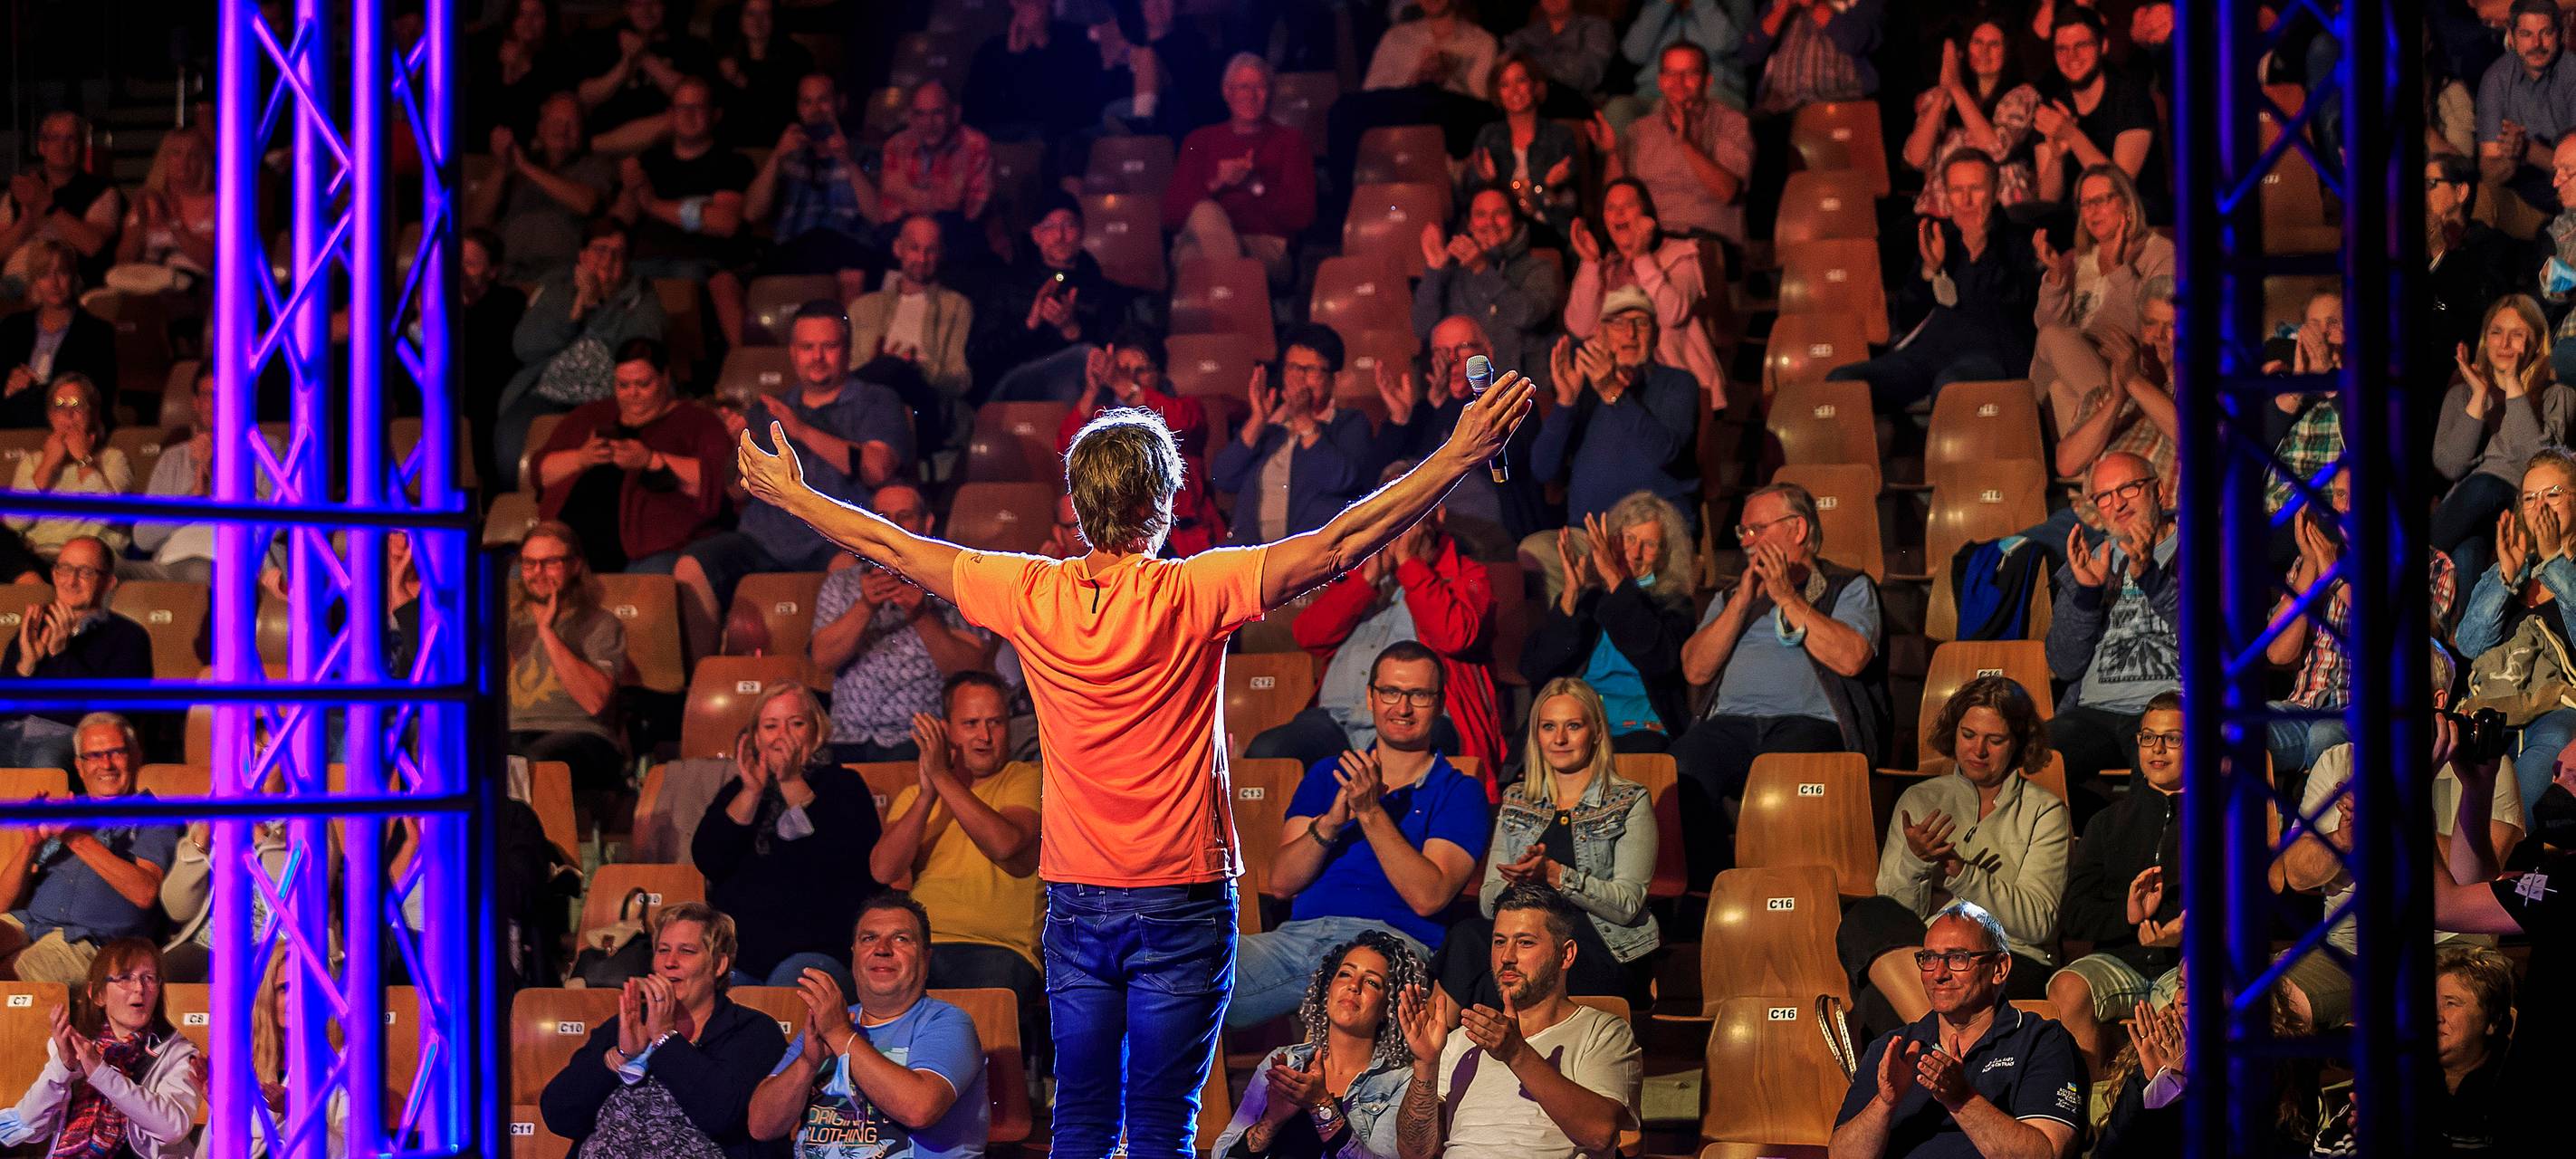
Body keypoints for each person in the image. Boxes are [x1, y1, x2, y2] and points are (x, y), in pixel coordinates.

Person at [731, 349, 1533, 1159]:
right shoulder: (1197, 589)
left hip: (1078, 903)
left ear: (1078, 504)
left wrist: (796, 494)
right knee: (1159, 1128)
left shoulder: (1029, 590)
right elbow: (1341, 541)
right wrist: (1460, 450)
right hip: (1179, 900)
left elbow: (898, 548)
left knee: (1079, 1122)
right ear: (1163, 500)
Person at [1231, 641, 1490, 1030]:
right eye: (1390, 692)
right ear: (1370, 697)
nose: (1402, 708)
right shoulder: (1328, 773)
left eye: (1418, 695)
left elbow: (1428, 896)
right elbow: (1282, 883)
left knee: (1344, 988)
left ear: (1439, 704)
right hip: (1297, 938)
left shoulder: (1459, 791)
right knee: (1185, 968)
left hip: (1390, 945)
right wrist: (1331, 822)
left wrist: (1370, 811)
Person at [2280, 646, 2523, 1034]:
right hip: (2352, 948)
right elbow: (2295, 875)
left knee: (2447, 1021)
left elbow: (2477, 878)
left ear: (2437, 699)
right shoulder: (2339, 761)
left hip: (2452, 951)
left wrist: (2393, 812)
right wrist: (2344, 840)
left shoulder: (2480, 766)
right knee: (2270, 1008)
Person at [1839, 679, 2071, 1043]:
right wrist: (1916, 863)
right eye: (1968, 735)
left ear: (2019, 743)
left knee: (1877, 999)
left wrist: (1962, 873)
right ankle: (1949, 1047)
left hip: (2002, 958)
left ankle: (1939, 1054)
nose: (1978, 750)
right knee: (1866, 916)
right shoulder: (1920, 799)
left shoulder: (2045, 811)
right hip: (1929, 955)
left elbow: (2037, 923)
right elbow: (1895, 916)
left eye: (1995, 740)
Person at [683, 302, 911, 656]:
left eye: (829, 346)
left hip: (836, 539)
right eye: (807, 347)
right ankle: (705, 678)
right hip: (763, 540)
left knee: (848, 569)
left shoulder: (875, 400)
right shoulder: (767, 409)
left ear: (848, 350)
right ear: (792, 352)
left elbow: (878, 468)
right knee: (691, 565)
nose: (817, 356)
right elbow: (734, 492)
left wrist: (801, 430)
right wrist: (741, 448)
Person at [1672, 483, 1885, 853]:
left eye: (1757, 529)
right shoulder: (1731, 596)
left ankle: (1780, 891)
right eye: (1743, 532)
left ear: (1798, 530)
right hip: (1731, 724)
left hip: (1810, 724)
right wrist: (1740, 604)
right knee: (1682, 767)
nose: (1746, 541)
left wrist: (1786, 597)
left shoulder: (1848, 587)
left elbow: (1851, 659)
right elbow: (1695, 670)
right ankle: (1711, 887)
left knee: (1780, 776)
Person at [1435, 679, 1658, 1015]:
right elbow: (1487, 900)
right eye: (1549, 727)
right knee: (1469, 938)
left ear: (1596, 732)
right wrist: (1518, 881)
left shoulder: (1628, 799)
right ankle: (1430, 1055)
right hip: (1526, 943)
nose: (1560, 739)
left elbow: (1627, 905)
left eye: (1573, 726)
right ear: (1536, 735)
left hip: (1600, 947)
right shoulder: (1518, 800)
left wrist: (1555, 875)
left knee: (1506, 974)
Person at [1251, 477, 1499, 776]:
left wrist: (1410, 565)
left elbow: (1457, 637)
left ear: (1438, 515)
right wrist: (1365, 581)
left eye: (1407, 512)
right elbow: (1308, 636)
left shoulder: (1469, 574)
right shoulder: (1364, 575)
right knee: (1268, 751)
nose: (1393, 526)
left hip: (1417, 720)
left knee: (1383, 765)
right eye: (1385, 513)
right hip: (1335, 720)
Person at [1390, 885, 1640, 1159]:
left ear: (1566, 954)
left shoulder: (1601, 1032)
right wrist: (1426, 1065)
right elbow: (1414, 1152)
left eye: (1525, 942)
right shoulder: (1459, 1041)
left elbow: (1600, 1134)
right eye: (1499, 942)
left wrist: (1517, 1053)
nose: (1507, 957)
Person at [1827, 901, 2085, 1159]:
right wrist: (1885, 1103)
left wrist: (1961, 1098)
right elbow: (1840, 1155)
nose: (1938, 973)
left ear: (1999, 968)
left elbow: (2050, 1153)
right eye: (1929, 958)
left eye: (1957, 958)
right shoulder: (1894, 1048)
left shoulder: (2040, 1040)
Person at [869, 673, 1043, 1047]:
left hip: (999, 948)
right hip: (921, 946)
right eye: (971, 724)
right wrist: (928, 795)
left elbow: (1005, 843)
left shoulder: (1025, 777)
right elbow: (883, 869)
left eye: (995, 722)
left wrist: (941, 777)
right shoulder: (920, 794)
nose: (984, 736)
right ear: (947, 731)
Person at [746, 893, 988, 1159]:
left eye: (901, 939)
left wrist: (840, 1036)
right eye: (869, 938)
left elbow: (919, 1109)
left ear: (926, 958)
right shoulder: (830, 1021)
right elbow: (761, 1126)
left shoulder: (947, 1022)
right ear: (854, 955)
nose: (882, 949)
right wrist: (807, 1062)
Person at [539, 902, 785, 1159]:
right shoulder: (626, 1024)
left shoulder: (752, 1032)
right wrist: (620, 1055)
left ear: (719, 964)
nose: (670, 962)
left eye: (686, 951)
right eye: (663, 950)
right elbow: (559, 1115)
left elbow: (723, 1116)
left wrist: (665, 1039)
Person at [694, 682, 883, 993]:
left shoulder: (843, 785)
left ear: (817, 731)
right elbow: (710, 859)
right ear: (756, 738)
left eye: (796, 724)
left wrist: (791, 781)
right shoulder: (737, 791)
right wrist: (752, 793)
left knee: (786, 990)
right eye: (771, 726)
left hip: (818, 949)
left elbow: (844, 860)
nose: (783, 736)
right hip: (742, 953)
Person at [2265, 473, 2457, 775]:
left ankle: (2328, 822)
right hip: (2303, 708)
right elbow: (2278, 654)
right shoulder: (2316, 560)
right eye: (2340, 495)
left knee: (2325, 737)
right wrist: (2311, 565)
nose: (2347, 507)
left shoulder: (2432, 566)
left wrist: (2336, 577)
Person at [1829, 149, 2040, 411]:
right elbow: (1905, 318)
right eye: (1956, 190)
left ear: (1996, 191)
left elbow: (2021, 310)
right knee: (1843, 382)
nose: (1966, 200)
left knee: (1951, 385)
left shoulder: (2021, 240)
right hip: (1929, 353)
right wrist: (1929, 271)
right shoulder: (1941, 237)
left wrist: (1980, 255)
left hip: (1991, 354)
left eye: (1975, 189)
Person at [2046, 689, 2184, 1076]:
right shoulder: (2107, 822)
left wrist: (2181, 936)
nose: (2158, 749)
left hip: (2185, 965)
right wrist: (2127, 914)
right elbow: (2074, 916)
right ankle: (2082, 1116)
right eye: (2148, 737)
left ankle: (2172, 1120)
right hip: (2119, 961)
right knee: (2068, 988)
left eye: (2173, 738)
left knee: (2190, 998)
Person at [809, 486, 996, 764]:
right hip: (846, 738)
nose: (892, 526)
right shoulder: (843, 583)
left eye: (904, 516)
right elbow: (822, 658)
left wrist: (921, 615)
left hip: (919, 741)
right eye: (882, 516)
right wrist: (865, 606)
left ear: (927, 522)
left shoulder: (950, 584)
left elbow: (970, 671)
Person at [1211, 930, 1430, 1159]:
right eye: (1345, 974)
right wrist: (1271, 1121)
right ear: (1328, 989)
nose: (1354, 986)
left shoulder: (1398, 1082)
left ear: (1389, 1007)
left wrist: (1321, 1106)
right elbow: (1222, 1154)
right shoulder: (1285, 1062)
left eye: (1372, 982)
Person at [2045, 450, 2179, 817]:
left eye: (2129, 489)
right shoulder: (2086, 561)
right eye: (2104, 496)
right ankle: (2097, 831)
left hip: (2172, 709)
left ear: (2160, 491)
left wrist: (2152, 577)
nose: (2117, 503)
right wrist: (2087, 596)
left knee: (2157, 789)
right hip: (2094, 711)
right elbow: (2064, 663)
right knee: (2033, 760)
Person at [0, 714, 179, 982]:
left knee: (14, 973)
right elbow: (2, 903)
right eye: (94, 756)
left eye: (116, 753)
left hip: (90, 943)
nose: (106, 765)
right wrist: (30, 845)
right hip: (30, 923)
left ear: (136, 755)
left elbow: (145, 892)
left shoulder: (154, 816)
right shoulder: (68, 809)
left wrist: (77, 839)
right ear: (79, 767)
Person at [531, 338, 732, 576]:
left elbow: (722, 479)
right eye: (623, 385)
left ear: (664, 378)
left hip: (653, 549)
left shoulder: (697, 421)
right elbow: (540, 471)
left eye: (643, 384)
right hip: (570, 548)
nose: (632, 393)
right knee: (520, 575)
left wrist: (651, 460)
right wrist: (581, 458)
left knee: (651, 582)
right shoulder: (589, 416)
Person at [497, 218, 668, 490]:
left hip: (610, 399)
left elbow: (641, 350)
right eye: (601, 250)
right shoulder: (556, 289)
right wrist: (577, 308)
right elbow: (524, 346)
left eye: (618, 253)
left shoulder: (640, 295)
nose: (608, 260)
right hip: (546, 394)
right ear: (583, 255)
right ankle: (516, 511)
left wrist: (600, 305)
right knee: (510, 444)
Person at [1519, 493, 1698, 751]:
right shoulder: (1589, 599)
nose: (1635, 553)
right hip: (1577, 724)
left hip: (1641, 728)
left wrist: (1615, 579)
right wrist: (1570, 595)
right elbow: (1534, 667)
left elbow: (1657, 657)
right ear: (1611, 542)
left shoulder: (1674, 604)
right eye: (1629, 539)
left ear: (1663, 554)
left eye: (1649, 544)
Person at [0, 938, 198, 1159]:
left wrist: (101, 1073)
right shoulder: (74, 1046)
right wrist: (62, 1067)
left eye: (149, 978)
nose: (139, 988)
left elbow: (172, 1129)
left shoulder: (179, 1052)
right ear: (98, 994)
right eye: (125, 978)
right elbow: (28, 1126)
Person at [2457, 447, 2576, 812]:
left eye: (2553, 494)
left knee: (2555, 734)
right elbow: (2469, 643)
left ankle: (2501, 844)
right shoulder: (2511, 566)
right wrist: (2506, 579)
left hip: (2557, 706)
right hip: (2496, 703)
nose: (2540, 506)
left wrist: (2556, 559)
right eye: (2529, 498)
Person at [1537, 285, 1701, 532]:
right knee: (1533, 552)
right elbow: (1543, 469)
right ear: (1601, 334)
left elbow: (1665, 453)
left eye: (1641, 323)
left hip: (1655, 533)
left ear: (1656, 334)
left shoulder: (1677, 383)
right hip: (1589, 533)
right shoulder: (1585, 391)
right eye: (1618, 323)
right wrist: (1566, 400)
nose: (1630, 334)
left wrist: (1612, 392)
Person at [1053, 326, 1228, 555]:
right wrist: (1091, 390)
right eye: (1121, 369)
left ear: (1159, 373)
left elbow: (1183, 423)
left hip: (1178, 537)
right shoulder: (1102, 414)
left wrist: (1124, 386)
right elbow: (1068, 451)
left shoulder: (1185, 407)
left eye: (1140, 370)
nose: (1129, 378)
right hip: (1115, 536)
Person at [2028, 165, 2173, 436]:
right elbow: (2050, 333)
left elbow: (2151, 328)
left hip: (2129, 368)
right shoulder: (2079, 259)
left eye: (2101, 201)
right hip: (2082, 369)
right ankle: (2086, 465)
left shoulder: (2159, 253)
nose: (2092, 211)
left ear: (2127, 203)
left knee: (2051, 342)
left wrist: (2119, 270)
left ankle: (2026, 432)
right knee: (2058, 383)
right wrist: (2057, 279)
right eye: (2085, 204)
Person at [2435, 294, 2569, 585]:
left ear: (2536, 342)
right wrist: (2479, 397)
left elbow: (2537, 465)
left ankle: (2397, 568)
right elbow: (2449, 467)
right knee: (2468, 554)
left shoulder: (2558, 396)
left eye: (2517, 334)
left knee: (2488, 484)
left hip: (2522, 505)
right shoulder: (2463, 392)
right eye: (2496, 332)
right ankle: (2461, 631)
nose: (2505, 343)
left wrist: (2513, 383)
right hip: (2467, 513)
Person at [612, 76, 752, 348]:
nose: (688, 115)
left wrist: (653, 205)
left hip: (701, 263)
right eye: (681, 108)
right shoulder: (650, 161)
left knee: (684, 279)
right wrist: (630, 188)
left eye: (697, 108)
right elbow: (621, 219)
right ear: (670, 114)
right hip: (644, 261)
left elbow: (724, 222)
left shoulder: (732, 163)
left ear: (715, 114)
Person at [503, 522, 629, 826]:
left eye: (550, 562)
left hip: (582, 735)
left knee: (535, 761)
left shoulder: (601, 624)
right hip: (513, 731)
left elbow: (595, 703)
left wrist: (547, 632)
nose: (538, 573)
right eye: (529, 563)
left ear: (575, 565)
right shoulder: (509, 624)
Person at [1559, 179, 1727, 405]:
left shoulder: (1681, 255)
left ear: (1647, 213)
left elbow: (1672, 314)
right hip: (1614, 389)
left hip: (1677, 388)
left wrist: (1641, 256)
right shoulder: (1606, 268)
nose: (1618, 213)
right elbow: (1580, 327)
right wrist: (1590, 263)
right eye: (1610, 207)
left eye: (1628, 205)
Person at [1211, 324, 1380, 544]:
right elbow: (1223, 477)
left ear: (1333, 379)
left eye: (1309, 370)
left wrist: (1304, 421)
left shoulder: (1348, 423)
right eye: (1292, 367)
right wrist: (1258, 420)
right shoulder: (1272, 429)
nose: (1299, 379)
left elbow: (1342, 479)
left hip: (1312, 556)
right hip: (1254, 555)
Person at [1164, 53, 1318, 283]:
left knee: (1193, 258)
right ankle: (1239, 307)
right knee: (1204, 217)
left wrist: (1254, 185)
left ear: (1270, 93)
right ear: (1228, 92)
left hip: (1264, 244)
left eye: (1260, 87)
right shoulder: (1199, 141)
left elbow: (1302, 216)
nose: (1251, 96)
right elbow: (1171, 215)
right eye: (1243, 87)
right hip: (1202, 237)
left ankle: (1224, 308)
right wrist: (1217, 183)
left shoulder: (1290, 142)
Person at [0, 542, 154, 772]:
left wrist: (62, 655)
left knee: (46, 759)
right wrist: (25, 668)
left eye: (85, 572)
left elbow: (115, 717)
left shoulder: (129, 636)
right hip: (12, 732)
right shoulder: (36, 627)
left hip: (70, 740)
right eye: (64, 569)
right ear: (53, 574)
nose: (71, 581)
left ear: (108, 582)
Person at [972, 193, 1133, 401]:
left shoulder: (1102, 290)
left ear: (1082, 230)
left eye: (1069, 225)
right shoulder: (1008, 285)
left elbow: (1115, 351)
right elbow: (979, 355)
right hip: (1015, 388)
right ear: (1036, 235)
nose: (1059, 235)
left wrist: (1072, 329)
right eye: (1049, 226)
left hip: (1081, 387)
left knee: (1089, 366)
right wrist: (1029, 324)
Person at [1592, 42, 1754, 246]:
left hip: (1707, 243)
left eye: (1690, 74)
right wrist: (1612, 153)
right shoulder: (1640, 130)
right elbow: (1617, 199)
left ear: (1708, 81)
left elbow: (1728, 192)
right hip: (1650, 241)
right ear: (1660, 81)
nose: (1678, 82)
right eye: (1670, 73)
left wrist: (1686, 142)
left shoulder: (1731, 123)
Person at [745, 73, 883, 293]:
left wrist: (848, 162)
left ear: (840, 103)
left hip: (848, 251)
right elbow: (752, 213)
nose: (815, 109)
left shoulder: (865, 154)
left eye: (823, 100)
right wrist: (776, 158)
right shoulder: (787, 154)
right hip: (794, 251)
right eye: (807, 102)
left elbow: (878, 216)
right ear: (799, 108)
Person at [1415, 188, 1565, 383]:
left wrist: (1482, 268)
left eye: (1500, 214)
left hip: (1523, 387)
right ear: (1469, 223)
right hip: (1466, 391)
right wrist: (1435, 270)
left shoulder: (1539, 268)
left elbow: (1525, 315)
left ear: (1515, 220)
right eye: (1481, 215)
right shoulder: (1454, 270)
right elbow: (1422, 327)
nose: (1490, 223)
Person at [849, 214, 972, 443]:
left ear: (941, 253)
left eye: (931, 250)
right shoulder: (864, 307)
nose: (922, 258)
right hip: (871, 401)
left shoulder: (955, 306)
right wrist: (880, 365)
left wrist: (918, 369)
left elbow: (960, 379)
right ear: (898, 249)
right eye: (914, 248)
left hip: (924, 404)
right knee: (883, 373)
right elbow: (852, 369)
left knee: (893, 369)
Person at [1902, 19, 2044, 218]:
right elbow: (1916, 157)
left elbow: (1997, 149)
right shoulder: (1937, 97)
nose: (1984, 51)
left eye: (1994, 44)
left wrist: (1956, 88)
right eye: (1977, 42)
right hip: (1942, 212)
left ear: (2008, 51)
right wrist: (1944, 91)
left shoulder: (2022, 96)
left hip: (1998, 211)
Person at [470, 91, 617, 282]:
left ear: (582, 131)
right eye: (555, 122)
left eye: (570, 124)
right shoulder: (513, 170)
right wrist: (501, 167)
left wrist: (525, 167)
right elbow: (476, 220)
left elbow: (587, 203)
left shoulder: (595, 166)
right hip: (508, 271)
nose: (562, 129)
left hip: (561, 273)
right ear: (540, 128)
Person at [2033, 6, 2163, 217]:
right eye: (2061, 49)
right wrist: (2056, 159)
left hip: (2135, 217)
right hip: (2079, 218)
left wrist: (2073, 136)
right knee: (2025, 216)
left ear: (2103, 46)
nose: (2071, 56)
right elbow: (2048, 200)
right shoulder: (2054, 105)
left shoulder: (2131, 97)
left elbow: (2120, 189)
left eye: (2081, 45)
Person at [7, 374, 130, 558]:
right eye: (59, 406)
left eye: (76, 405)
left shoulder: (113, 458)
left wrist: (83, 459)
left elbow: (108, 515)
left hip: (90, 558)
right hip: (39, 556)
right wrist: (47, 465)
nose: (67, 414)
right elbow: (15, 522)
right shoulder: (33, 462)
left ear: (94, 413)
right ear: (50, 416)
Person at [0, 240, 114, 429]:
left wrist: (33, 390)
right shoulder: (13, 327)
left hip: (70, 424)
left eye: (61, 272)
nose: (53, 283)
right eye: (44, 275)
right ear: (34, 281)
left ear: (73, 276)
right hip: (14, 421)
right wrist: (9, 384)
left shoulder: (97, 332)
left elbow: (92, 394)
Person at [2477, 0, 2576, 216]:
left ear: (2560, 34)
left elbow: (2574, 168)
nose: (2537, 43)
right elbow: (2490, 174)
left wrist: (2527, 150)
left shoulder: (2572, 73)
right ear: (2511, 37)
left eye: (2546, 33)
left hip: (2570, 198)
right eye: (2526, 34)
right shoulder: (2496, 79)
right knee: (2482, 200)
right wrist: (2510, 157)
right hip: (2524, 202)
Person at [1465, 57, 1581, 239]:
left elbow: (1572, 204)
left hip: (1549, 228)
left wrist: (1548, 188)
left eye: (1521, 81)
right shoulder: (1488, 135)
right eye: (1505, 84)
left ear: (1535, 85)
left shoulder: (1560, 136)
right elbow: (1471, 197)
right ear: (1497, 92)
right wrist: (1489, 182)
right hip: (1499, 232)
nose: (1514, 91)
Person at [0, 111, 119, 285]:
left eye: (71, 139)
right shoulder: (24, 190)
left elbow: (92, 245)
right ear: (42, 146)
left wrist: (49, 206)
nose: (62, 146)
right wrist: (26, 220)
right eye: (55, 138)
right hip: (18, 281)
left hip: (68, 282)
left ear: (81, 146)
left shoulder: (102, 191)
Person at [572, 0, 714, 143]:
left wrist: (644, 56)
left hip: (665, 145)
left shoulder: (690, 47)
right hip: (605, 143)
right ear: (627, 8)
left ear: (664, 6)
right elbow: (585, 96)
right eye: (638, 4)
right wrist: (625, 64)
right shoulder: (604, 43)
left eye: (653, 3)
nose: (646, 11)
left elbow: (692, 95)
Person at [875, 80, 992, 253]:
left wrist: (910, 196)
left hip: (957, 238)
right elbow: (890, 211)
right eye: (920, 114)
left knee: (956, 230)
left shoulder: (976, 145)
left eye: (937, 113)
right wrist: (941, 199)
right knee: (883, 241)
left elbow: (973, 213)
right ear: (910, 117)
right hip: (910, 231)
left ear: (955, 113)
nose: (928, 123)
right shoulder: (895, 145)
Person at [460, 228, 530, 483]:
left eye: (470, 264)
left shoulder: (508, 301)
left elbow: (488, 360)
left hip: (489, 396)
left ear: (492, 271)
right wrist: (424, 322)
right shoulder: (431, 300)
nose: (459, 272)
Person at [109, 128, 215, 288]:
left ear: (204, 161)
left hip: (195, 285)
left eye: (193, 155)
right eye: (176, 153)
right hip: (145, 282)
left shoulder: (216, 204)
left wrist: (173, 221)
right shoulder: (149, 201)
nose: (184, 162)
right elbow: (123, 261)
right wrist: (142, 223)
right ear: (165, 159)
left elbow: (210, 261)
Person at [1742, 0, 1883, 116]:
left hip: (1836, 104)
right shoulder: (1776, 4)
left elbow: (1858, 41)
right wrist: (1781, 10)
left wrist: (1816, 6)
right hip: (1778, 110)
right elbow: (1750, 54)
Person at [1616, 0, 1754, 116]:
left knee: (1666, 113)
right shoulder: (1654, 3)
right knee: (1618, 110)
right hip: (1653, 92)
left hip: (1715, 89)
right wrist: (1663, 4)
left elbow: (1726, 43)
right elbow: (1634, 53)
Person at [709, 0, 812, 147]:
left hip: (778, 143)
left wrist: (740, 80)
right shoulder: (725, 57)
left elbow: (783, 109)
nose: (758, 21)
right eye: (751, 14)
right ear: (740, 18)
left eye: (765, 14)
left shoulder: (796, 58)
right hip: (731, 145)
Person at [1503, 0, 1618, 110]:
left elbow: (1586, 75)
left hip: (1578, 102)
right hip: (1529, 101)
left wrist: (1537, 77)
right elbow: (1504, 68)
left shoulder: (1594, 27)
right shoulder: (1525, 35)